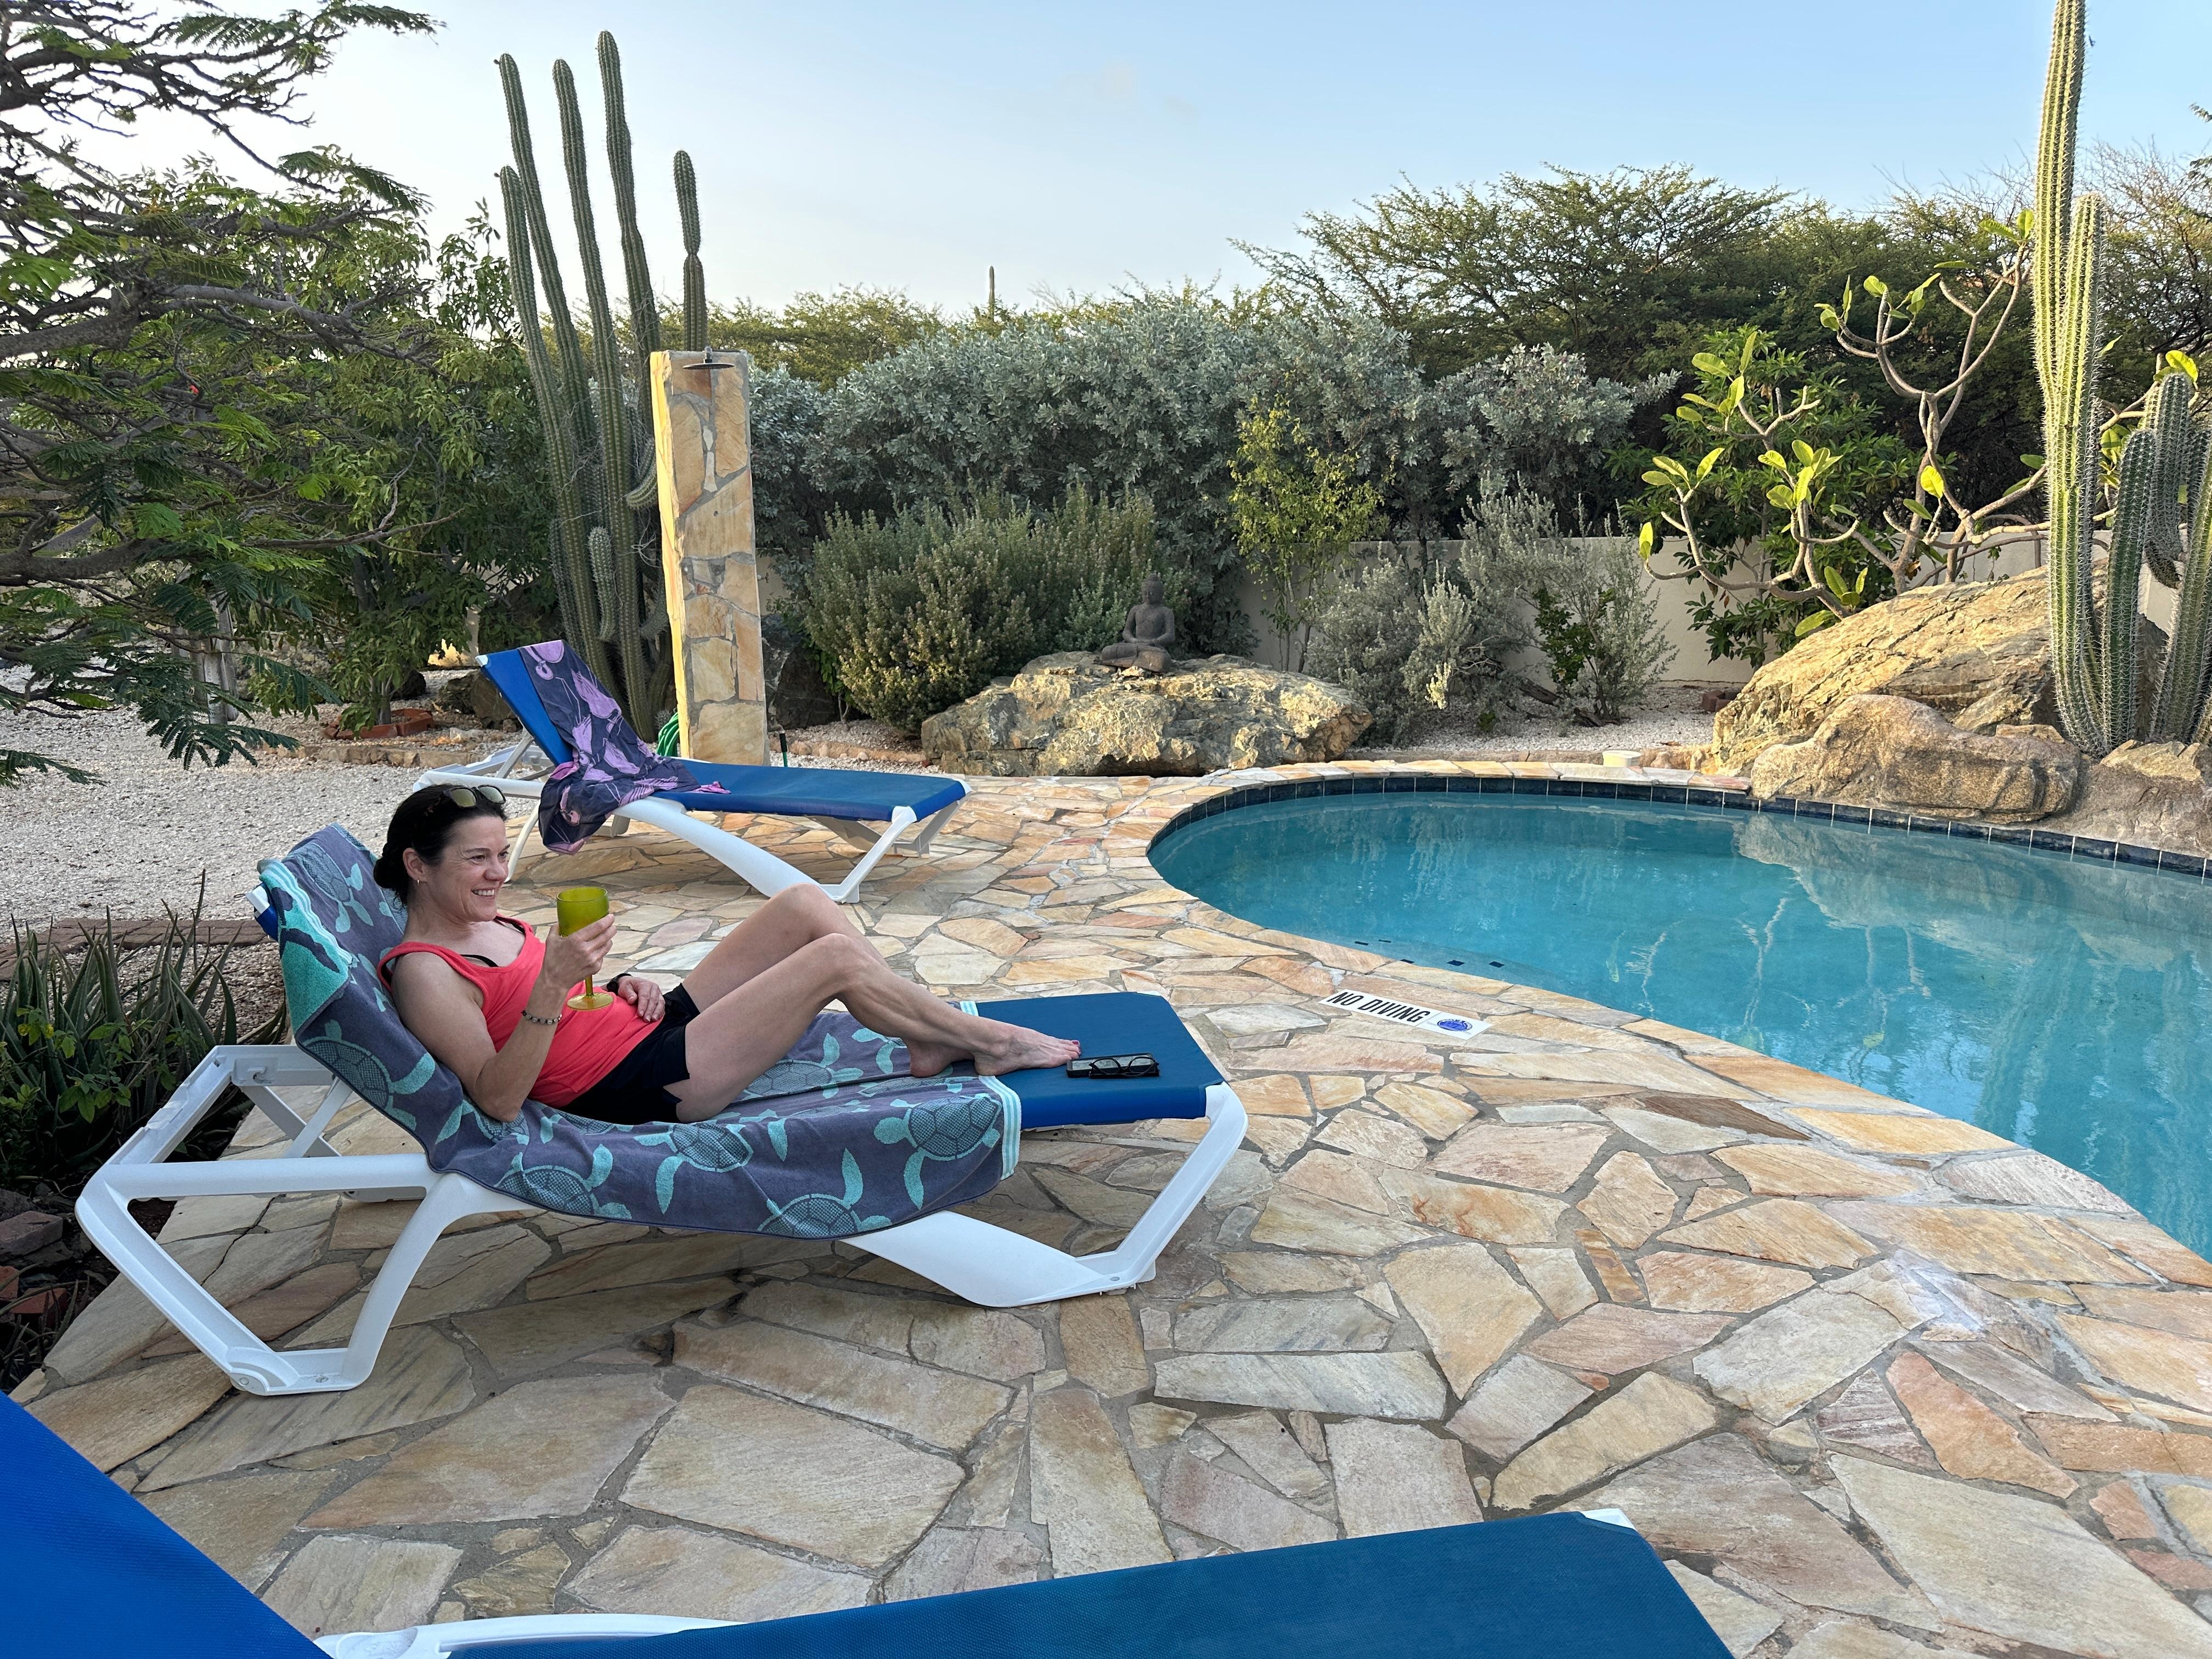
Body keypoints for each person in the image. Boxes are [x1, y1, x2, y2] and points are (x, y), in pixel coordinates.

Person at [371, 784, 1079, 1126]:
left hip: (651, 1027)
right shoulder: (428, 973)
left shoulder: (482, 918)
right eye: (478, 860)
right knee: (831, 957)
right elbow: (496, 1099)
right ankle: (991, 1042)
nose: (500, 873)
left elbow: (540, 993)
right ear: (419, 865)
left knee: (802, 906)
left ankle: (926, 1038)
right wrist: (555, 986)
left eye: (502, 854)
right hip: (640, 1083)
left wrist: (620, 981)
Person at [1095, 573, 1176, 673]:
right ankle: (1140, 662)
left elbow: (1170, 635)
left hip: (1152, 647)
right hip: (1133, 645)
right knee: (1107, 651)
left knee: (1162, 660)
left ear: (1160, 595)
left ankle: (1127, 662)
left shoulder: (1165, 612)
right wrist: (1133, 640)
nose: (1148, 596)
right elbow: (1127, 631)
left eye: (1152, 594)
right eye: (1145, 593)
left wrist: (1153, 641)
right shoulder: (1136, 609)